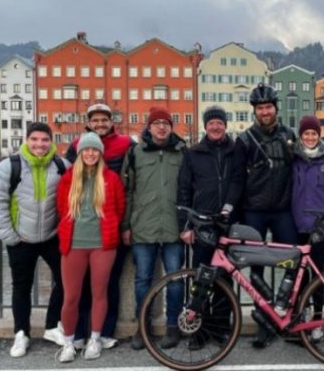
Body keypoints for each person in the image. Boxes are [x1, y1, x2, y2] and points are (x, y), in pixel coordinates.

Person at [0, 122, 69, 357]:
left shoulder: (62, 166)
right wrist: (9, 236)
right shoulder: (8, 167)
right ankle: (21, 333)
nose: (39, 144)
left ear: (51, 141)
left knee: (65, 280)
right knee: (21, 286)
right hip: (21, 238)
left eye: (44, 140)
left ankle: (52, 326)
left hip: (51, 236)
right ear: (27, 140)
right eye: (34, 140)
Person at [65, 103, 132, 350]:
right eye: (96, 120)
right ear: (89, 123)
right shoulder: (76, 146)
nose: (101, 123)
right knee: (80, 286)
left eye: (105, 119)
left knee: (109, 283)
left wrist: (123, 224)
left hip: (110, 226)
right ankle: (80, 332)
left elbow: (131, 181)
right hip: (82, 231)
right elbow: (67, 184)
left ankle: (104, 331)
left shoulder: (125, 144)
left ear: (111, 121)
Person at [236, 83, 298, 348]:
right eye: (260, 108)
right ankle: (264, 320)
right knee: (257, 270)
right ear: (255, 111)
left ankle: (288, 313)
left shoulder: (289, 136)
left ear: (276, 108)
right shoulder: (245, 139)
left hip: (283, 210)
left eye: (268, 107)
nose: (265, 112)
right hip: (254, 211)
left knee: (294, 262)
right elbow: (237, 179)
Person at [178, 105, 245, 349]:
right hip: (202, 222)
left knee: (226, 279)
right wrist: (185, 226)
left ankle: (221, 327)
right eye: (211, 123)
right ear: (205, 127)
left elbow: (239, 180)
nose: (216, 127)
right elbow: (184, 189)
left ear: (225, 125)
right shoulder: (193, 153)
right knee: (201, 279)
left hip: (227, 222)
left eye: (219, 123)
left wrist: (231, 208)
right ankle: (199, 331)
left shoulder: (235, 150)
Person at [120, 107, 186, 350]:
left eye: (165, 123)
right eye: (156, 123)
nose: (161, 127)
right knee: (142, 280)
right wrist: (126, 225)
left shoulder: (181, 153)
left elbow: (189, 190)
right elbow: (127, 192)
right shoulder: (135, 153)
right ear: (148, 127)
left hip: (173, 227)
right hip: (143, 226)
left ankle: (172, 327)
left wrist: (187, 225)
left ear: (171, 127)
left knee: (176, 280)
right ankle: (143, 327)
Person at [55, 132, 125, 362]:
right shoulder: (68, 179)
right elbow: (61, 209)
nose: (91, 153)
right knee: (71, 296)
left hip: (102, 245)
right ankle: (69, 341)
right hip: (74, 244)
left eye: (95, 149)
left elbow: (119, 208)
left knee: (99, 293)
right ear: (80, 152)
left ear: (100, 153)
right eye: (86, 149)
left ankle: (95, 339)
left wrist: (111, 229)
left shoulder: (111, 179)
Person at [291, 115, 324, 341]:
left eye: (314, 134)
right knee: (298, 275)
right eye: (306, 134)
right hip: (297, 223)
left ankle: (317, 320)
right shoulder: (293, 158)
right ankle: (301, 316)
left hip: (321, 224)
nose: (310, 137)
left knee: (317, 274)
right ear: (301, 135)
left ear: (319, 135)